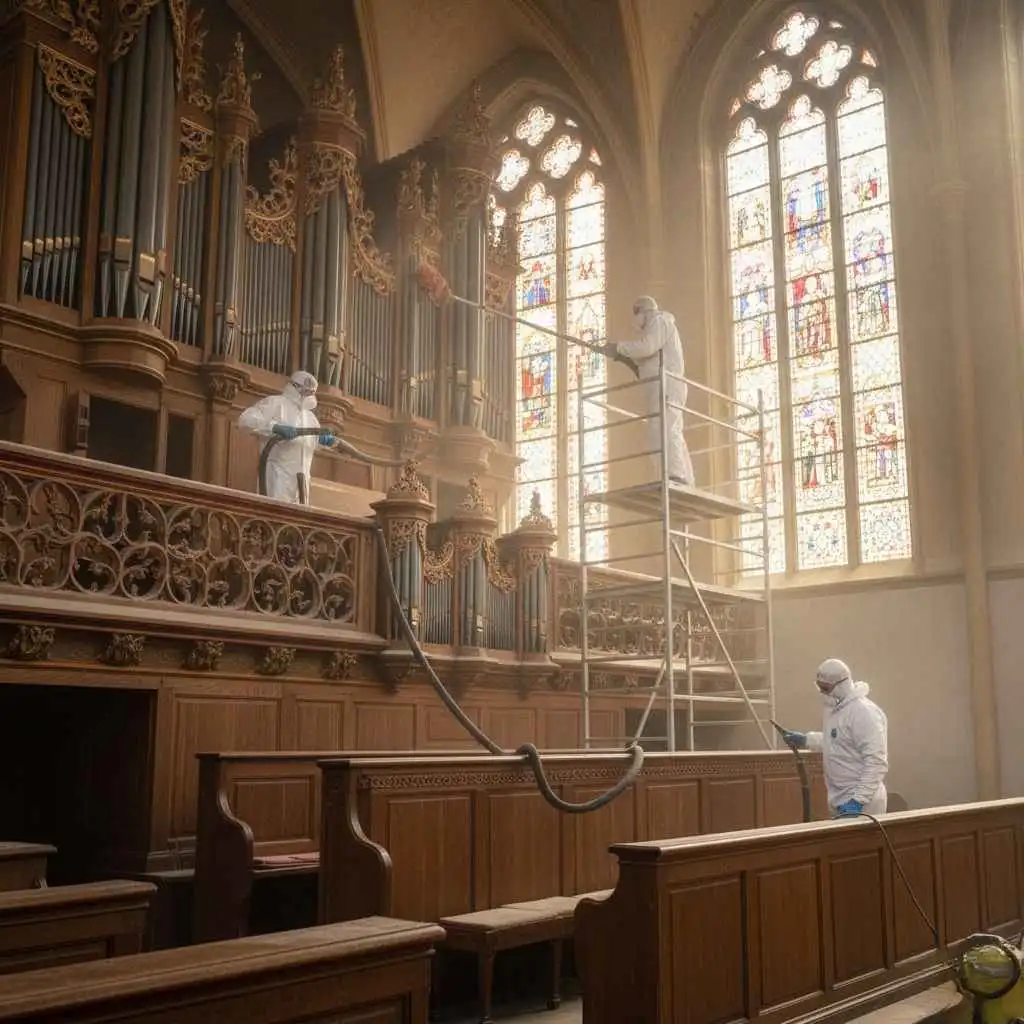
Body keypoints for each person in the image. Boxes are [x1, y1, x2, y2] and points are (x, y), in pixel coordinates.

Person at [605, 296, 694, 485]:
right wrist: (620, 356)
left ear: (644, 311)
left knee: (668, 429)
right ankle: (676, 474)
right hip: (659, 388)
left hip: (668, 385)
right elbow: (644, 360)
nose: (635, 319)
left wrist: (619, 347)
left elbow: (647, 347)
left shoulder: (660, 321)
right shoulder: (655, 328)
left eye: (636, 313)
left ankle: (677, 475)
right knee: (660, 432)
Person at [782, 658, 889, 817]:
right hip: (839, 797)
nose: (823, 692)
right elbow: (837, 741)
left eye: (826, 688)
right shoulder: (835, 709)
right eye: (819, 687)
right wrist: (807, 740)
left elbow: (876, 762)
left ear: (841, 684)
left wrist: (858, 800)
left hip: (863, 802)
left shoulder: (864, 713)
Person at [237, 370, 334, 505]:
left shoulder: (311, 418)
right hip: (277, 477)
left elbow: (310, 443)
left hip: (302, 483)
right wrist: (274, 427)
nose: (305, 396)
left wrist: (325, 441)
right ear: (294, 386)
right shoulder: (275, 403)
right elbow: (245, 420)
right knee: (274, 519)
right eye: (303, 391)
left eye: (309, 393)